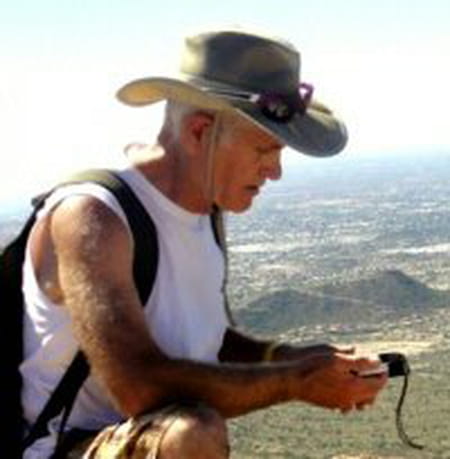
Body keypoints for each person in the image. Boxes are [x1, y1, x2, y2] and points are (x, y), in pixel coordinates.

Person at [22, 29, 387, 458]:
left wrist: (291, 357)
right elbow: (137, 387)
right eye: (264, 149)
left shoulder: (206, 212)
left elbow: (203, 341)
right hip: (63, 447)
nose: (275, 171)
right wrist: (296, 380)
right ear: (200, 132)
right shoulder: (95, 216)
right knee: (190, 435)